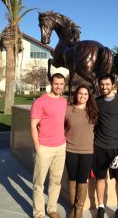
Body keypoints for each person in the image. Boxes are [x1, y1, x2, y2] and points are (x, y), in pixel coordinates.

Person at [92, 73, 118, 218]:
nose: (104, 87)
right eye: (102, 84)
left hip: (117, 150)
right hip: (99, 147)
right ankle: (101, 206)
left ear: (113, 84)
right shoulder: (97, 102)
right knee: (100, 178)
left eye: (107, 84)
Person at [30, 73, 67, 218]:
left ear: (64, 84)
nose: (58, 86)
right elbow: (33, 125)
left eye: (61, 84)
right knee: (39, 184)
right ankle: (38, 213)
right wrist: (37, 147)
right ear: (51, 83)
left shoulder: (64, 101)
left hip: (60, 147)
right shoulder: (40, 102)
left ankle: (51, 209)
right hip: (44, 147)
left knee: (56, 181)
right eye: (56, 83)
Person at [65, 84, 98, 218]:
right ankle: (73, 206)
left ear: (89, 96)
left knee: (82, 179)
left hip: (87, 151)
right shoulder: (68, 110)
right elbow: (59, 126)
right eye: (80, 93)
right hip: (70, 149)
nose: (82, 96)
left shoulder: (93, 111)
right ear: (76, 95)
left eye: (85, 94)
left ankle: (79, 209)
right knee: (72, 178)